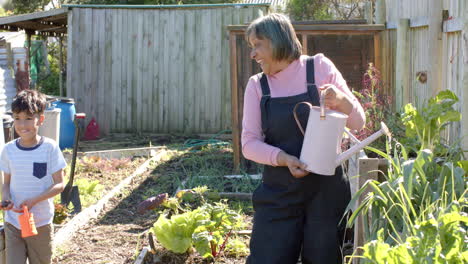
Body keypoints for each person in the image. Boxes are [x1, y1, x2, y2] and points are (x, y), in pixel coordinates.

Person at [242, 13, 365, 264]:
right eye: (251, 47)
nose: (253, 54)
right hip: (279, 192)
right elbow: (249, 143)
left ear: (277, 40)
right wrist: (283, 158)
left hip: (326, 193)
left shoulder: (319, 68)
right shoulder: (257, 86)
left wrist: (342, 101)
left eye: (258, 45)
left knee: (325, 258)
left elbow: (358, 122)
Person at [0, 90, 67, 264]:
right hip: (13, 223)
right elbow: (6, 184)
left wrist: (34, 200)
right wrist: (6, 199)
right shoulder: (8, 150)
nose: (22, 124)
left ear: (41, 119)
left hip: (41, 223)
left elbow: (60, 184)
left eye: (29, 118)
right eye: (17, 118)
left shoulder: (50, 148)